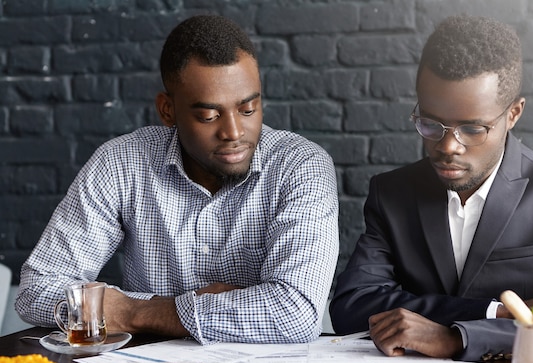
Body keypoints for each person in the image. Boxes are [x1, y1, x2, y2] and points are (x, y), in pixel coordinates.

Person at [17, 15, 339, 344]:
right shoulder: (122, 163)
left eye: (248, 109)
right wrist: (228, 307)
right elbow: (36, 289)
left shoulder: (300, 166)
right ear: (167, 110)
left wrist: (134, 312)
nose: (233, 132)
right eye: (208, 116)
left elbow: (296, 315)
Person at [330, 15, 533, 361]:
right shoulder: (392, 193)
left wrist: (458, 338)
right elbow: (353, 306)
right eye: (430, 123)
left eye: (472, 129)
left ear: (513, 113)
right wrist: (497, 311)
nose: (448, 146)